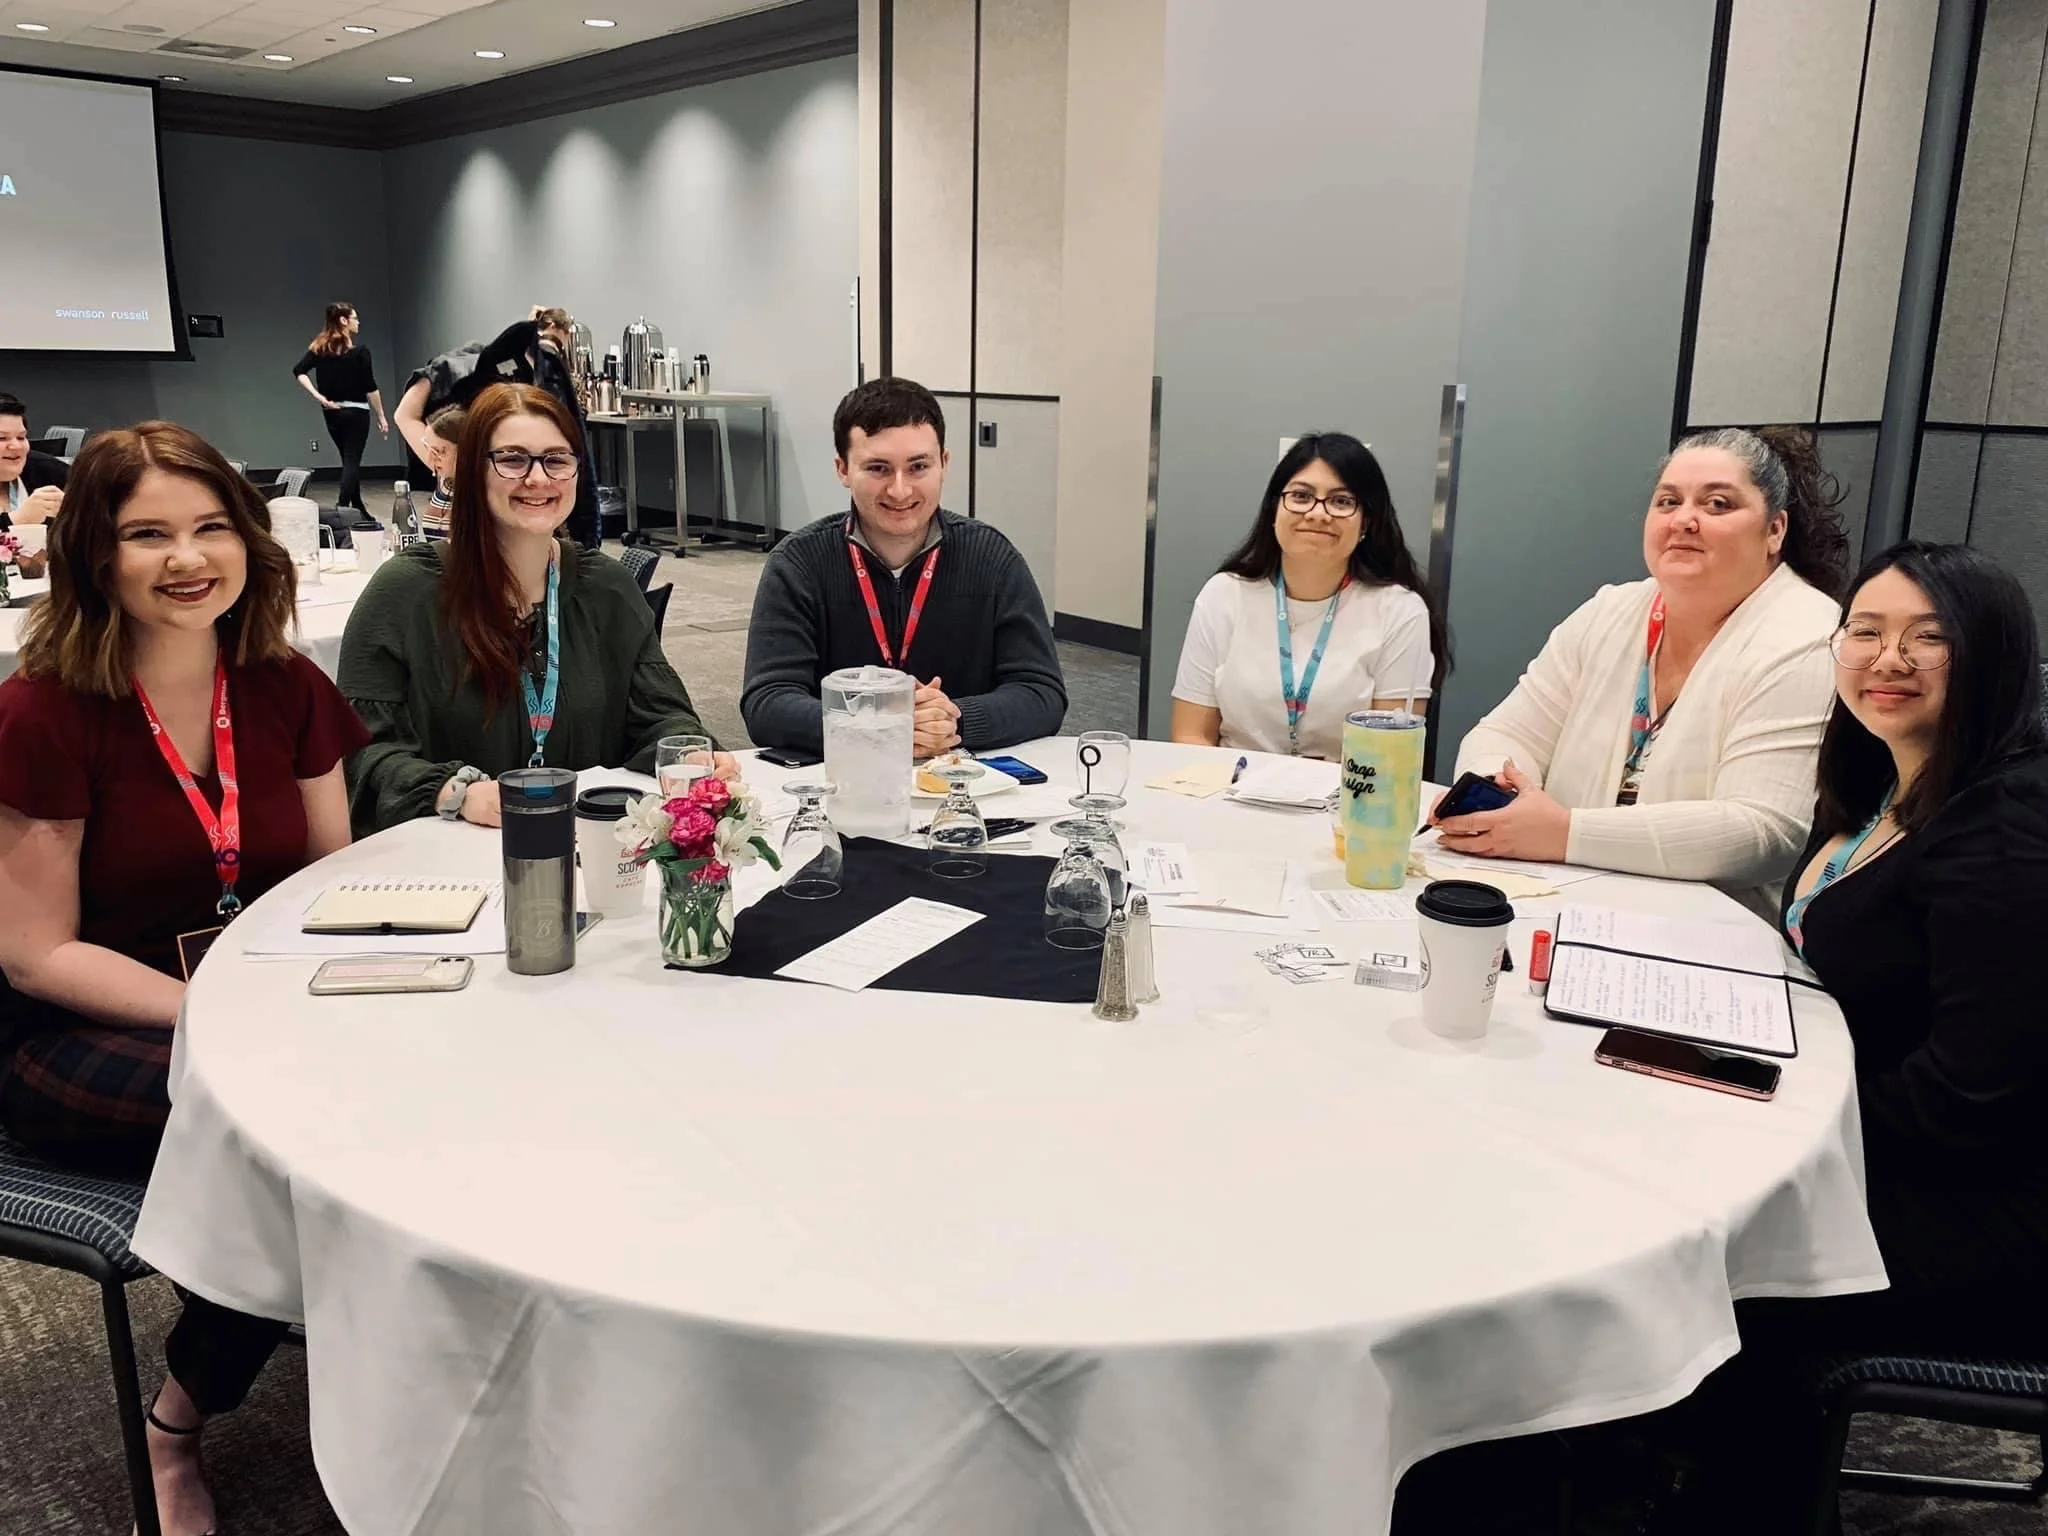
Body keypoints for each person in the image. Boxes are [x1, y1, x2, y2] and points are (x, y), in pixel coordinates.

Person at [0, 420, 369, 1536]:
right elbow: (33, 950)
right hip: (70, 1033)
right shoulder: (42, 710)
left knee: (412, 1095)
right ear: (94, 555)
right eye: (147, 533)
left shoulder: (284, 683)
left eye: (212, 527)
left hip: (260, 1005)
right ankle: (178, 1422)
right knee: (282, 1142)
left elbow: (332, 879)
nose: (186, 558)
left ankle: (390, 1358)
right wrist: (225, 1010)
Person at [1673, 541, 2048, 1533]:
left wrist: (1774, 1133)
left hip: (1970, 1202)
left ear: (1993, 658)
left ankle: (1708, 1502)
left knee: (1703, 1271)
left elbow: (1967, 1095)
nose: (1888, 659)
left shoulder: (2002, 832)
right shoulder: (1883, 787)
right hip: (1860, 1135)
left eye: (1930, 640)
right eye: (1866, 633)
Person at [1438, 425, 1847, 913]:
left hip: (1714, 933)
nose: (1685, 520)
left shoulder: (1807, 635)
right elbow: (1504, 732)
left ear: (1775, 530)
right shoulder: (1610, 611)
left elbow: (1762, 830)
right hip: (1564, 899)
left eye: (1717, 505)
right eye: (1668, 502)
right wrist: (1501, 795)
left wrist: (1564, 834)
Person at [340, 383, 729, 833]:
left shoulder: (606, 588)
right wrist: (453, 792)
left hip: (589, 846)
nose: (539, 479)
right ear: (472, 473)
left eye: (556, 460)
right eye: (512, 459)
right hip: (449, 854)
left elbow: (658, 713)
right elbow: (362, 752)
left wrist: (687, 753)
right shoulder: (407, 592)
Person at [741, 377, 1067, 757]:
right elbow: (766, 703)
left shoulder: (991, 558)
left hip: (964, 783)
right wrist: (875, 725)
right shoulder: (799, 564)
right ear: (843, 469)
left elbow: (1042, 693)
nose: (900, 490)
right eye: (878, 468)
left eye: (918, 467)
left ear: (943, 464)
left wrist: (955, 720)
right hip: (844, 782)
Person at [1170, 432, 1446, 760]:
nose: (1317, 513)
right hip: (1229, 792)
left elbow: (1390, 758)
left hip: (1344, 801)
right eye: (1301, 496)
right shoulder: (1224, 594)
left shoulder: (1400, 611)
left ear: (1366, 522)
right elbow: (1190, 734)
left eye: (1341, 501)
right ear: (1275, 509)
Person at [292, 301, 389, 513]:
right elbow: (370, 386)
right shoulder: (361, 353)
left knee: (347, 460)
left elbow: (299, 371)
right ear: (344, 321)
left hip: (332, 413)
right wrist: (381, 415)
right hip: (357, 413)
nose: (358, 321)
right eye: (354, 318)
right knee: (352, 461)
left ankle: (359, 508)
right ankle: (343, 507)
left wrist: (319, 396)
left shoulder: (320, 349)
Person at [0, 393, 67, 577]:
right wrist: (15, 521)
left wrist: (74, 513)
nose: (15, 447)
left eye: (21, 438)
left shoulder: (48, 472)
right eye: (2, 439)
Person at [420, 403, 466, 540]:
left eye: (440, 451)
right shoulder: (445, 481)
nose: (431, 458)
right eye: (427, 447)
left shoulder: (483, 492)